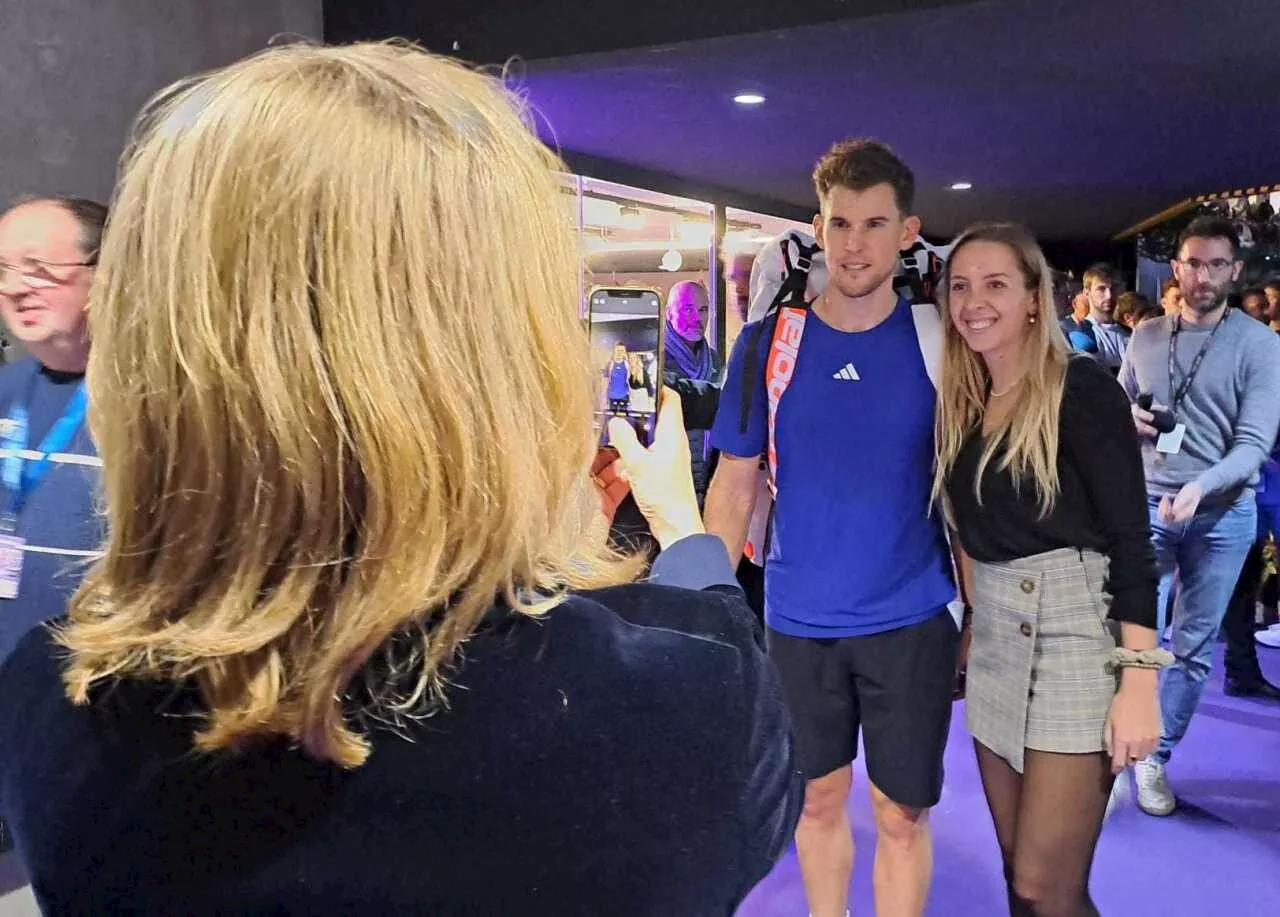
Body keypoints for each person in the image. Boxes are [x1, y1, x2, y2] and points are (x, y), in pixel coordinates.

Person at [0, 42, 802, 915]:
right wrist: (679, 530)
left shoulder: (62, 706)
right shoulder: (680, 717)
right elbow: (725, 687)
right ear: (507, 345)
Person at [706, 138, 959, 917]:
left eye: (874, 224)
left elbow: (975, 491)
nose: (854, 244)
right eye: (840, 223)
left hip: (911, 617)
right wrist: (704, 609)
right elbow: (734, 486)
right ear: (817, 226)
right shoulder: (766, 345)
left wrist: (981, 613)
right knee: (815, 805)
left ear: (907, 231)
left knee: (900, 814)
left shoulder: (941, 347)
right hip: (798, 618)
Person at [934, 223, 1163, 916]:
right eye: (962, 286)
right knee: (1017, 875)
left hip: (1073, 638)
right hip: (998, 642)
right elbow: (970, 536)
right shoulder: (965, 402)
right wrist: (973, 622)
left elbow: (1132, 542)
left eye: (996, 283)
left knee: (1045, 882)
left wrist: (1140, 683)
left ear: (1037, 297)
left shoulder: (1083, 390)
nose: (974, 301)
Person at [1120, 216, 1280, 816]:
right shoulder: (1146, 336)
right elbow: (1125, 404)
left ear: (1235, 272)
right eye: (1192, 263)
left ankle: (1155, 757)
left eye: (1217, 265)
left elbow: (1253, 443)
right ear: (1176, 268)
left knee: (1191, 647)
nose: (1203, 275)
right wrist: (1126, 419)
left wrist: (1202, 486)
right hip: (1147, 506)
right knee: (1135, 636)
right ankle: (1120, 747)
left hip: (1221, 516)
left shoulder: (1261, 345)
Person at [0, 197, 105, 666]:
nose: (16, 288)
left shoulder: (159, 404)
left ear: (104, 272)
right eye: (3, 271)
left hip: (92, 692)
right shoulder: (7, 391)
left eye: (38, 268)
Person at [662, 280, 723, 504]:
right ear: (669, 313)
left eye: (703, 309)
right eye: (687, 309)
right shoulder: (656, 360)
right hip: (667, 480)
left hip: (706, 480)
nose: (697, 318)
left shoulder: (714, 360)